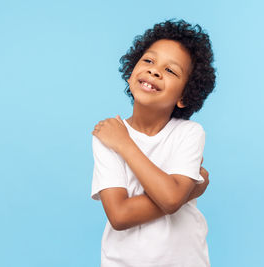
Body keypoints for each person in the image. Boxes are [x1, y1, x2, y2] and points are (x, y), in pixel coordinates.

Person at [91, 18, 216, 267]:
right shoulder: (109, 134)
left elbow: (171, 199)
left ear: (184, 96)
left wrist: (125, 145)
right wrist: (186, 191)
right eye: (148, 60)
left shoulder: (189, 133)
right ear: (131, 72)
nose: (155, 70)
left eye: (171, 71)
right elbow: (119, 214)